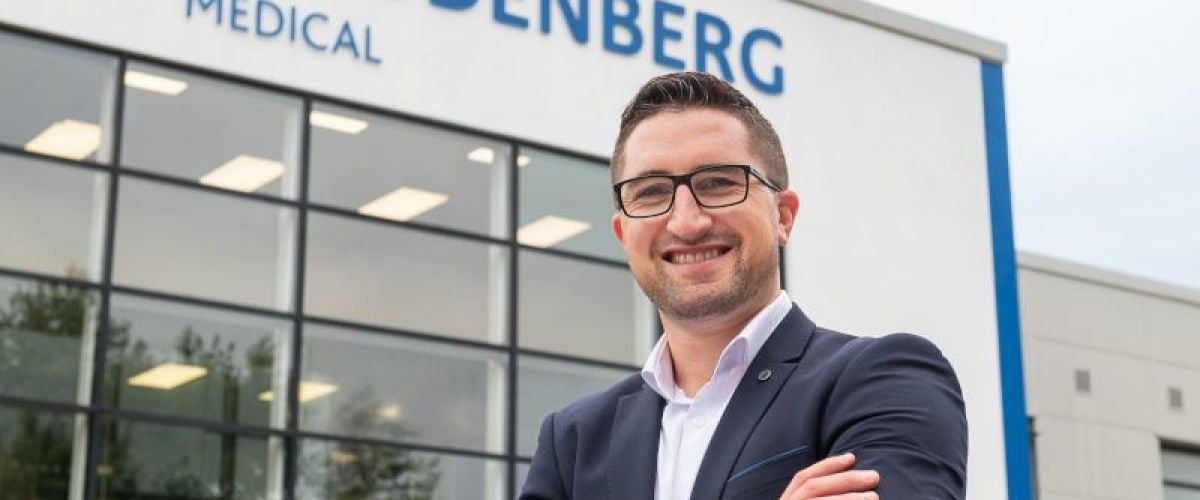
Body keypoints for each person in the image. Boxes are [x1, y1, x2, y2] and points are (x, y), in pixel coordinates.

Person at [520, 72, 967, 500]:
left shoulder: (883, 382)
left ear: (784, 216)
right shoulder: (574, 442)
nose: (687, 222)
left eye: (718, 183)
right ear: (623, 234)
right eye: (651, 191)